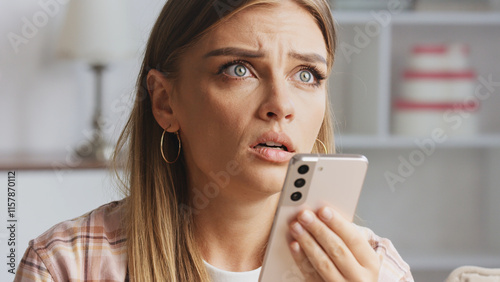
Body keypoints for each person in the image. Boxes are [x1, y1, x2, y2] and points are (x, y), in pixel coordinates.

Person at [15, 0, 413, 281]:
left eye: (306, 74)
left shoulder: (380, 272)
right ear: (165, 101)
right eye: (239, 69)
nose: (281, 104)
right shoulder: (64, 266)